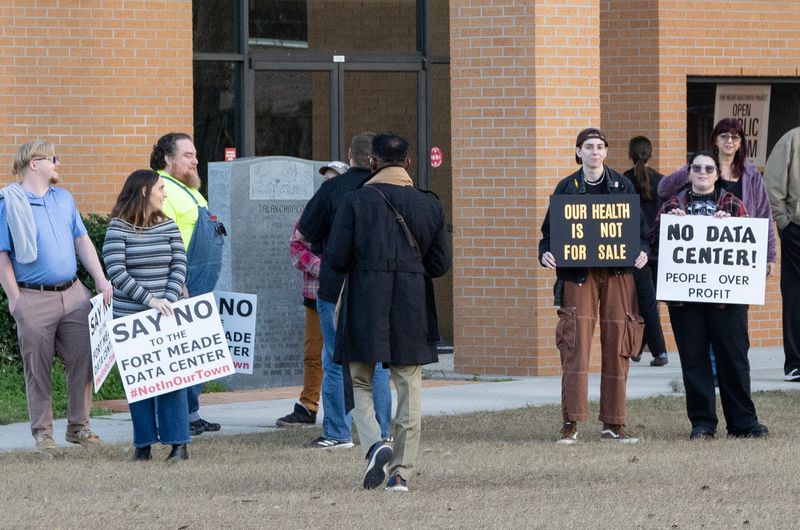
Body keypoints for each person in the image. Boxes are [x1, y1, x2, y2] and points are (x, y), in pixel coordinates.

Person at [327, 132, 451, 491]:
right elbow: (440, 264)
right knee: (408, 385)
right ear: (409, 163)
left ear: (372, 163)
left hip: (365, 296)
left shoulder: (354, 201)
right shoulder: (430, 204)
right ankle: (401, 472)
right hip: (411, 299)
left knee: (362, 380)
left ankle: (374, 444)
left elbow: (335, 258)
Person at [0, 139, 112, 449]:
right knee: (38, 368)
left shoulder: (64, 198)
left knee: (84, 357)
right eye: (53, 158)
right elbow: (2, 254)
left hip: (73, 293)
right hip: (33, 297)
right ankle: (43, 433)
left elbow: (82, 241)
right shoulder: (9, 202)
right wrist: (15, 299)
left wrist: (100, 280)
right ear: (33, 163)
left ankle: (78, 427)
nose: (58, 164)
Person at [539, 128, 648, 445]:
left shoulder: (622, 185)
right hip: (578, 275)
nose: (595, 152)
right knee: (575, 347)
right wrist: (545, 252)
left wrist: (642, 252)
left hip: (617, 274)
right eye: (589, 146)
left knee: (618, 346)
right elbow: (549, 233)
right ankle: (570, 422)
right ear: (578, 152)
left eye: (600, 146)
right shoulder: (567, 188)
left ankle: (614, 423)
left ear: (606, 152)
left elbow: (639, 232)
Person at [652, 151, 768, 439]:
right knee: (694, 360)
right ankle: (702, 424)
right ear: (689, 173)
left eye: (709, 168)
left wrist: (732, 227)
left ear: (717, 174)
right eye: (697, 168)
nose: (702, 172)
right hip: (685, 299)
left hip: (727, 299)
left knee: (734, 358)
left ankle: (743, 423)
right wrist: (671, 225)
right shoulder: (671, 205)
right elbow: (654, 243)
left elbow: (748, 244)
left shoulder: (733, 204)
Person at [297, 133, 392, 449]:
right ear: (375, 158)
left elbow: (306, 230)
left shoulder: (332, 189)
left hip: (335, 283)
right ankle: (383, 429)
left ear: (350, 154)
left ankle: (337, 432)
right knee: (376, 359)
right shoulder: (387, 189)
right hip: (377, 284)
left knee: (334, 359)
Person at [103, 169, 190, 460]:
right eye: (161, 188)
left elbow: (179, 262)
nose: (165, 194)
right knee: (139, 382)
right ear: (144, 191)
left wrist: (169, 296)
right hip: (131, 318)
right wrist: (149, 300)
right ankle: (143, 445)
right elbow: (116, 270)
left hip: (167, 315)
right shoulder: (117, 227)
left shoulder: (168, 225)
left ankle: (179, 444)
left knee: (173, 379)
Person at [150, 132, 226, 436]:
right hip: (181, 282)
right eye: (187, 156)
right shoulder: (160, 187)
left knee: (196, 352)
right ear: (168, 159)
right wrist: (175, 280)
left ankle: (191, 414)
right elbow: (158, 239)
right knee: (178, 354)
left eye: (195, 155)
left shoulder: (189, 189)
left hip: (201, 282)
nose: (195, 161)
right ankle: (175, 416)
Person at [277, 161, 349, 427]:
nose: (328, 184)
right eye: (325, 180)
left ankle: (350, 409)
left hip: (349, 295)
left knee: (349, 355)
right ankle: (308, 406)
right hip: (316, 293)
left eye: (334, 179)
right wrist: (322, 268)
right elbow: (296, 244)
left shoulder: (354, 208)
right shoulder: (313, 209)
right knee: (314, 353)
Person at [657, 118, 776, 274]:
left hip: (738, 252)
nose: (729, 141)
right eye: (724, 136)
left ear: (740, 143)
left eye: (735, 137)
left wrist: (770, 255)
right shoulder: (701, 167)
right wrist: (690, 172)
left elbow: (764, 214)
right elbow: (663, 189)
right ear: (715, 140)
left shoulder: (751, 174)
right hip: (699, 250)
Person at [624, 136, 669, 367]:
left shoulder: (623, 181)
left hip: (637, 251)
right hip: (658, 250)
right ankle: (638, 348)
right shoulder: (661, 182)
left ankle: (659, 351)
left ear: (630, 154)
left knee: (646, 301)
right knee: (647, 301)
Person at [764, 126, 800, 382]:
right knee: (795, 292)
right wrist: (784, 223)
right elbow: (773, 183)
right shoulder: (792, 139)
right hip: (796, 229)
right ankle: (796, 362)